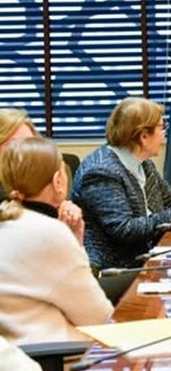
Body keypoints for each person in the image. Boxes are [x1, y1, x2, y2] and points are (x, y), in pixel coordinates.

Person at [71, 98, 171, 269]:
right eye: (161, 127)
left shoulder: (143, 163)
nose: (164, 134)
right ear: (143, 136)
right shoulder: (101, 172)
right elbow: (125, 229)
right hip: (117, 268)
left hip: (149, 254)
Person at [0, 138, 112, 344]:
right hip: (61, 352)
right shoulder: (49, 232)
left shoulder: (9, 220)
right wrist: (73, 242)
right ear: (57, 182)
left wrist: (75, 240)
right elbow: (99, 317)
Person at [0, 108, 84, 243]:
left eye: (31, 143)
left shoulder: (57, 170)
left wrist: (70, 218)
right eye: (16, 145)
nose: (27, 152)